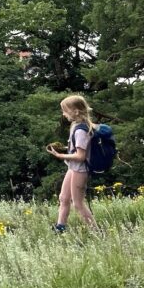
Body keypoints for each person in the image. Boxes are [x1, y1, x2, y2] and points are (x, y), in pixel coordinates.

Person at [47, 95, 99, 232]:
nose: (63, 114)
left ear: (76, 111)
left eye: (65, 111)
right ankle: (60, 228)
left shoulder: (81, 130)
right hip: (73, 167)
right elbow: (78, 149)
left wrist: (60, 155)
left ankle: (97, 232)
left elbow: (81, 156)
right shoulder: (76, 126)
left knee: (78, 204)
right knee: (63, 198)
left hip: (80, 169)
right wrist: (64, 149)